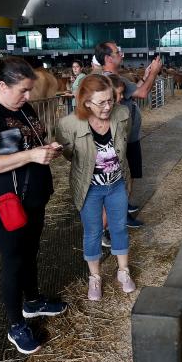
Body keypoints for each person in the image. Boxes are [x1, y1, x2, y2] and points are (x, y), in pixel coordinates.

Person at [0, 56, 67, 355]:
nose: (28, 96)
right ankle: (15, 324)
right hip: (6, 201)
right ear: (1, 85)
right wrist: (32, 156)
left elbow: (30, 144)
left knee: (31, 250)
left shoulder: (23, 108)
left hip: (33, 196)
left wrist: (47, 151)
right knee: (13, 259)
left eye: (29, 90)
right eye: (22, 90)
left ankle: (33, 302)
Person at [56, 74, 136, 301]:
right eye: (101, 102)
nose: (108, 106)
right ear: (86, 102)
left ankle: (123, 271)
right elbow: (70, 155)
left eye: (110, 100)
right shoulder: (68, 124)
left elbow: (123, 142)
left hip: (117, 183)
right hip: (89, 188)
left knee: (119, 227)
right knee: (93, 232)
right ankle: (95, 277)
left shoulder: (122, 114)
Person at [94, 41, 162, 229]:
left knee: (127, 175)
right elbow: (142, 93)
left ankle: (122, 211)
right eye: (118, 52)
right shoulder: (111, 80)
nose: (121, 54)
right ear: (108, 58)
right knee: (124, 177)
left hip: (127, 136)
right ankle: (119, 218)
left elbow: (134, 91)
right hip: (120, 138)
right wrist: (155, 72)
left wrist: (147, 74)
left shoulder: (116, 78)